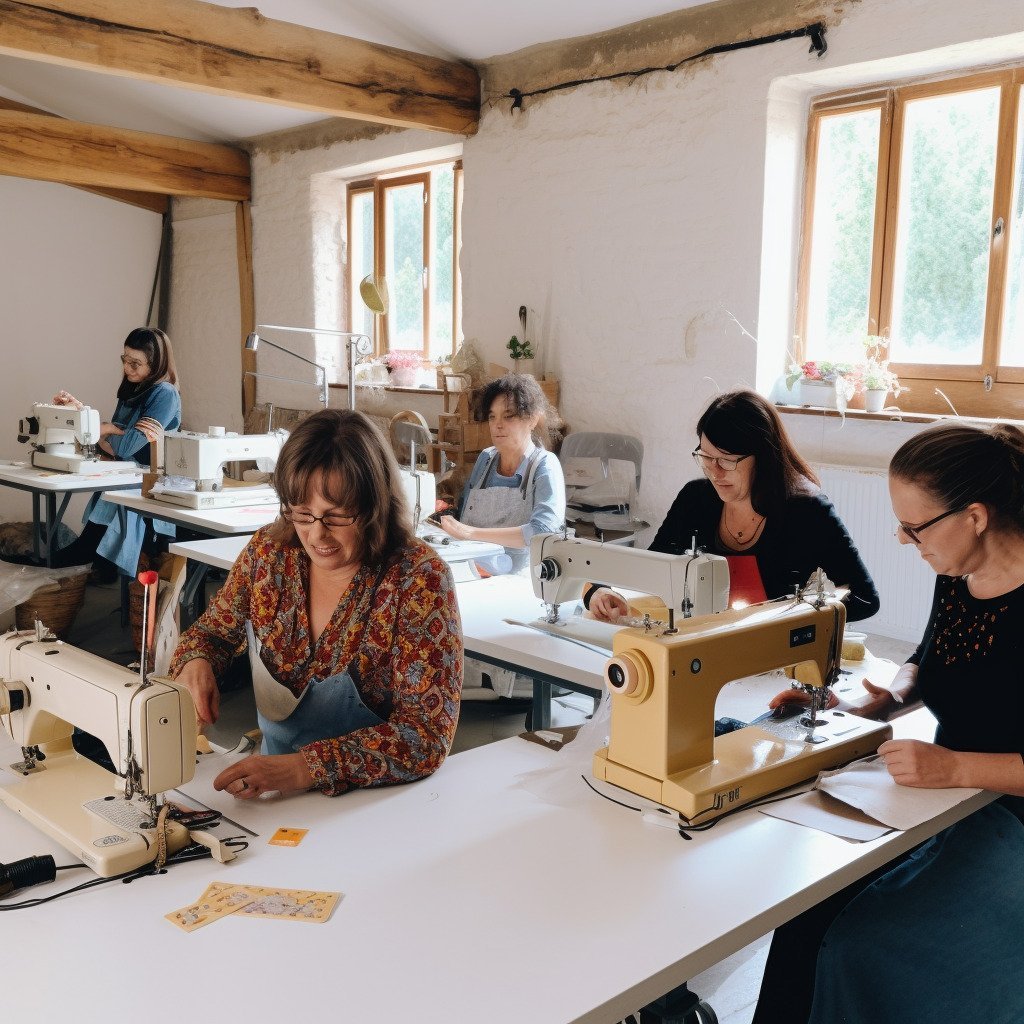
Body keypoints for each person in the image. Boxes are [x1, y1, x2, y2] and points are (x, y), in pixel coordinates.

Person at [752, 421, 1024, 1024]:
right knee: (802, 915)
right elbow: (929, 661)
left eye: (915, 525)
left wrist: (956, 765)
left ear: (974, 516)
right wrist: (871, 704)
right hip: (952, 802)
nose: (902, 539)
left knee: (859, 943)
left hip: (1007, 817)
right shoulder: (959, 574)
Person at [169, 409, 463, 799]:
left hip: (375, 801)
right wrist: (196, 662)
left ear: (374, 507)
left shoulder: (416, 580)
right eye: (302, 513)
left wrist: (305, 768)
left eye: (336, 517)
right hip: (275, 794)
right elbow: (210, 634)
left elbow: (425, 734)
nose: (316, 534)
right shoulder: (270, 555)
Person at [587, 389, 879, 622]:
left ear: (763, 456)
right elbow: (653, 567)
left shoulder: (806, 512)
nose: (714, 472)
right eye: (705, 457)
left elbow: (864, 598)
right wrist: (601, 592)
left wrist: (792, 617)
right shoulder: (695, 498)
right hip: (698, 641)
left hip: (772, 655)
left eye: (726, 460)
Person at [17, 327, 181, 579]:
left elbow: (125, 447)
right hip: (128, 469)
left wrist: (110, 429)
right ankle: (97, 559)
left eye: (135, 363)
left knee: (114, 492)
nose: (128, 368)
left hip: (152, 478)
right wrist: (82, 414)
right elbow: (110, 444)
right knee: (108, 486)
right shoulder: (132, 390)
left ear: (156, 363)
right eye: (125, 360)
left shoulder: (165, 394)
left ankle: (88, 554)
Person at [439, 373, 565, 575]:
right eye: (492, 416)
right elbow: (463, 515)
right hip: (474, 568)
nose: (497, 425)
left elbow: (544, 531)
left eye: (508, 416)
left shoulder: (544, 465)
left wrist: (471, 534)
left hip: (520, 579)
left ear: (532, 419)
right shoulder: (486, 459)